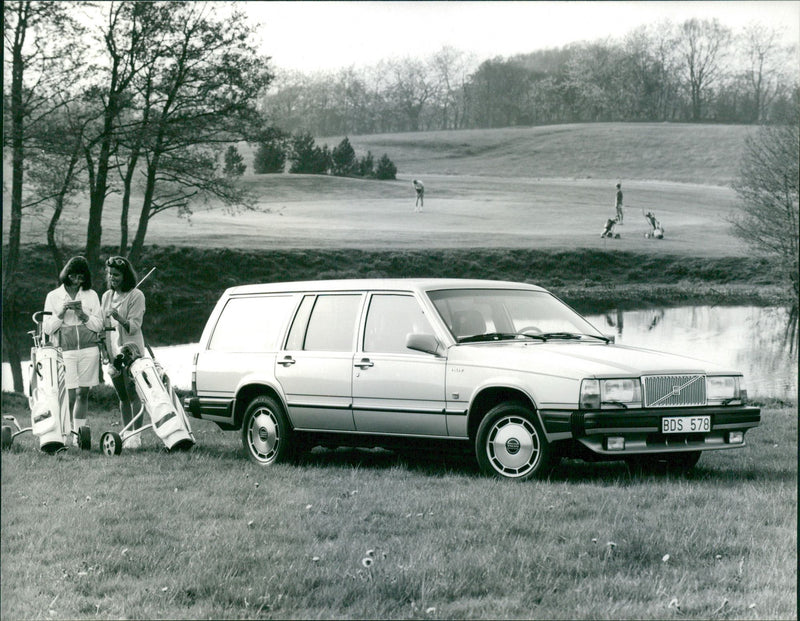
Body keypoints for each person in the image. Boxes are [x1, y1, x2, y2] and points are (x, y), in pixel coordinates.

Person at [43, 256, 104, 443]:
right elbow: (47, 329)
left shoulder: (91, 295)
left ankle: (79, 436)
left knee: (82, 393)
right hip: (64, 350)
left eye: (81, 278)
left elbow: (99, 325)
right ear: (67, 275)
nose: (77, 281)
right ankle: (63, 435)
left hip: (89, 349)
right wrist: (61, 313)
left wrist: (82, 315)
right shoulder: (53, 296)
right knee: (68, 395)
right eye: (74, 277)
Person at [101, 256, 147, 449]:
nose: (112, 277)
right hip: (112, 351)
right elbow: (102, 327)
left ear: (125, 275)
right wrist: (104, 352)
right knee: (122, 396)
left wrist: (118, 316)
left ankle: (136, 436)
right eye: (110, 274)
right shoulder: (106, 297)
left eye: (117, 274)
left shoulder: (136, 295)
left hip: (130, 351)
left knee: (133, 394)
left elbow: (134, 327)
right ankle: (127, 433)